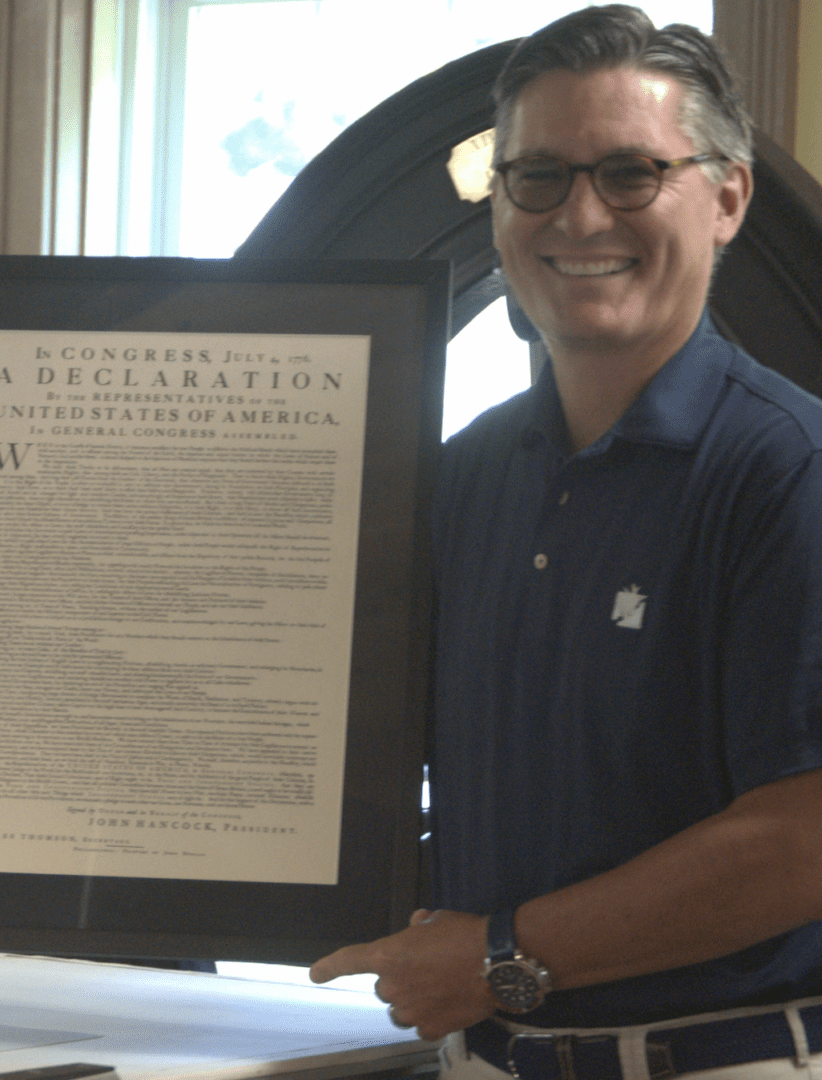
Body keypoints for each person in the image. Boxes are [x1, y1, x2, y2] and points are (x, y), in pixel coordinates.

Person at [310, 6, 822, 1077]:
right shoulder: (459, 478)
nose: (580, 216)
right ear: (498, 207)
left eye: (631, 173)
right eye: (536, 176)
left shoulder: (788, 470)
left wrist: (503, 957)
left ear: (725, 199)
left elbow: (803, 838)